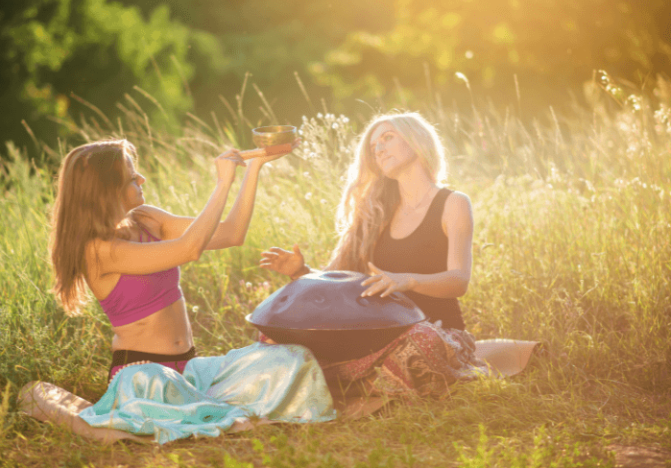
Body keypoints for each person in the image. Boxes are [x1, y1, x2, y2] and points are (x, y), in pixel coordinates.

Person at [46, 138, 335, 443]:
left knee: (291, 358)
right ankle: (215, 412)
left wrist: (253, 167)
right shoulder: (98, 250)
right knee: (155, 379)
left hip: (191, 370)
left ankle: (205, 409)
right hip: (144, 376)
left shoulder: (147, 220)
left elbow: (232, 232)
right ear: (105, 190)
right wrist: (222, 183)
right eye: (132, 178)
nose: (141, 179)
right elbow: (190, 248)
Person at [260, 112, 489, 398]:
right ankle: (359, 376)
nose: (378, 149)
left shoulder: (453, 203)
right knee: (276, 335)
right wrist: (301, 272)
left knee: (420, 343)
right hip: (380, 332)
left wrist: (408, 281)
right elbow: (338, 285)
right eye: (373, 146)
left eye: (387, 138)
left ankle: (337, 377)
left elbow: (459, 281)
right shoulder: (376, 211)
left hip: (434, 329)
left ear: (417, 140)